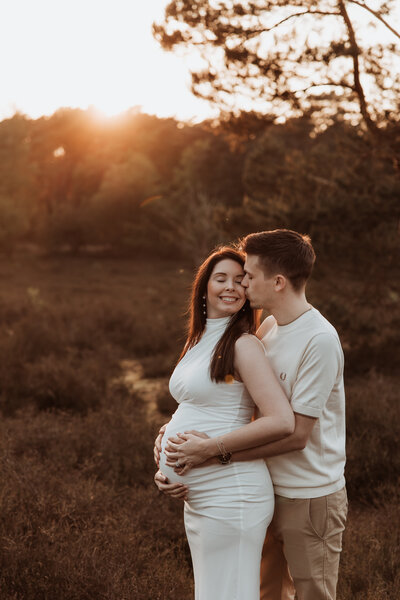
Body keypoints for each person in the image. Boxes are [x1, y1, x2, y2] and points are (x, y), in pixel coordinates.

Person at [155, 229, 347, 600]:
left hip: (307, 495)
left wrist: (209, 455)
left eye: (249, 275)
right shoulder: (270, 327)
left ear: (277, 282)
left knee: (312, 595)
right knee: (261, 594)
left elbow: (295, 434)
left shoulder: (319, 340)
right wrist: (169, 440)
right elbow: (228, 400)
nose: (242, 282)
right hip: (265, 483)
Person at [156, 245, 294, 600]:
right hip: (201, 499)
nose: (231, 287)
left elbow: (281, 421)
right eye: (221, 279)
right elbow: (197, 404)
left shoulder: (244, 344)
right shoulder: (199, 339)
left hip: (232, 495)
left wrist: (203, 448)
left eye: (240, 280)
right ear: (204, 288)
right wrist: (164, 452)